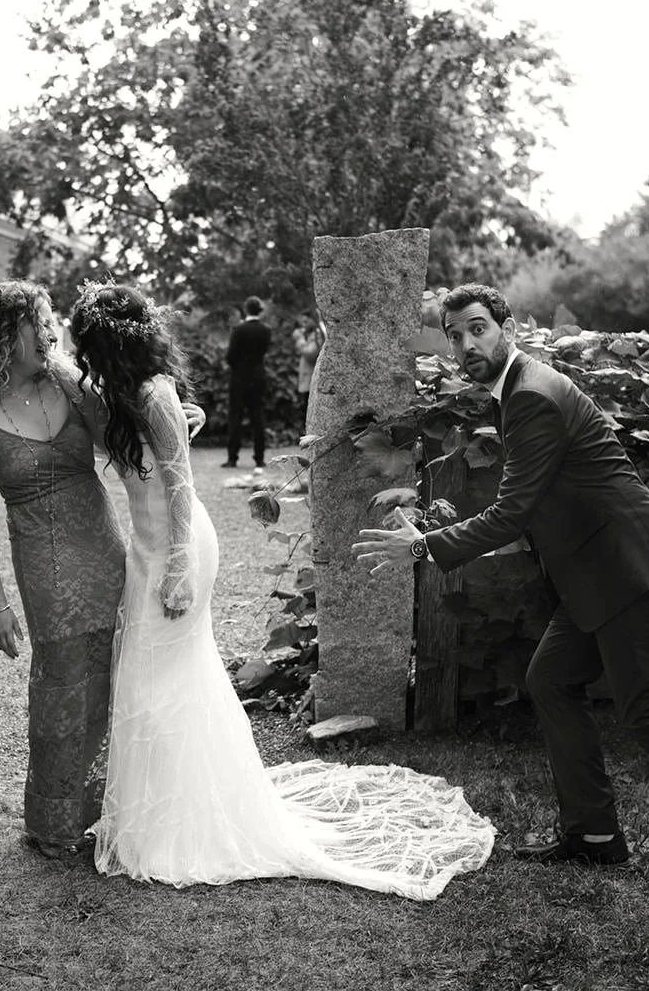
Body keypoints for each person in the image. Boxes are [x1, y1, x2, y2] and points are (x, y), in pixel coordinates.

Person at [351, 282, 649, 906]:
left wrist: (424, 546)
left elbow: (511, 512)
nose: (466, 345)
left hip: (628, 569)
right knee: (552, 680)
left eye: (478, 328)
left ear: (504, 325)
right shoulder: (518, 389)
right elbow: (536, 504)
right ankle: (593, 834)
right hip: (597, 572)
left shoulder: (532, 396)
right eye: (455, 336)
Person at [68, 282, 495, 901]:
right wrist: (193, 422)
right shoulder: (122, 394)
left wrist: (180, 564)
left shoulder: (154, 392)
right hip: (147, 547)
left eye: (87, 344)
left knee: (166, 676)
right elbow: (158, 447)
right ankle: (152, 812)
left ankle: (182, 820)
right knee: (150, 674)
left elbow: (182, 485)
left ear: (107, 345)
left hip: (178, 546)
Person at [0, 281, 206, 860]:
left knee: (120, 675)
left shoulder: (70, 383)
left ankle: (113, 810)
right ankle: (56, 821)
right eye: (34, 324)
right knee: (64, 683)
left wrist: (186, 412)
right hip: (43, 563)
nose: (48, 332)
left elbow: (135, 429)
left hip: (108, 549)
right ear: (2, 335)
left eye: (48, 321)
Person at [222, 295, 271, 472]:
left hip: (239, 379)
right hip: (258, 377)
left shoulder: (239, 330)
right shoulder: (266, 330)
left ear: (246, 309)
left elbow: (230, 357)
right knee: (258, 417)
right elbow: (264, 352)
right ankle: (259, 458)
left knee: (235, 417)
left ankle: (232, 458)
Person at [291, 311, 325, 427]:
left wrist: (300, 340)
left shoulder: (318, 333)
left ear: (313, 320)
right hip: (307, 379)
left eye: (306, 321)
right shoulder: (311, 333)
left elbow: (310, 353)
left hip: (313, 381)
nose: (304, 325)